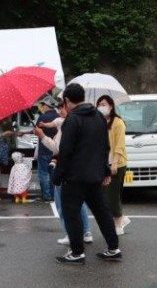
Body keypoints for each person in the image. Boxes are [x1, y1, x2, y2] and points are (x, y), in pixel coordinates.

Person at [52, 83, 121, 265]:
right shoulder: (98, 116)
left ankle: (77, 253)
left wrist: (57, 176)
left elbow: (66, 151)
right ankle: (113, 248)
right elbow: (105, 146)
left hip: (75, 177)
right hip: (95, 175)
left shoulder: (72, 120)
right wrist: (105, 170)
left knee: (71, 213)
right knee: (101, 211)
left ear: (67, 100)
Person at [35, 101, 93, 246]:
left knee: (62, 204)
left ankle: (71, 234)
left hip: (65, 170)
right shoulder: (81, 122)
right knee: (79, 202)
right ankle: (86, 231)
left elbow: (58, 148)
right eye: (60, 107)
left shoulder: (68, 125)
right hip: (79, 169)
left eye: (64, 107)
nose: (61, 110)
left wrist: (42, 136)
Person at [97, 95, 130, 236]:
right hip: (103, 164)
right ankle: (120, 218)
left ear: (111, 106)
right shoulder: (99, 122)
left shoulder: (118, 123)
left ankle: (118, 223)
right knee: (104, 196)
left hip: (116, 164)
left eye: (104, 104)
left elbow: (119, 146)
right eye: (99, 104)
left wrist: (115, 163)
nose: (101, 107)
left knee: (113, 195)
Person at [34, 97, 58, 202]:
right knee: (53, 173)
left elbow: (37, 131)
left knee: (43, 173)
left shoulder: (42, 117)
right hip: (55, 150)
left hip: (44, 149)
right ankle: (53, 195)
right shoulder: (58, 117)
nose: (41, 107)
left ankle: (46, 196)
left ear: (46, 105)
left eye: (42, 105)